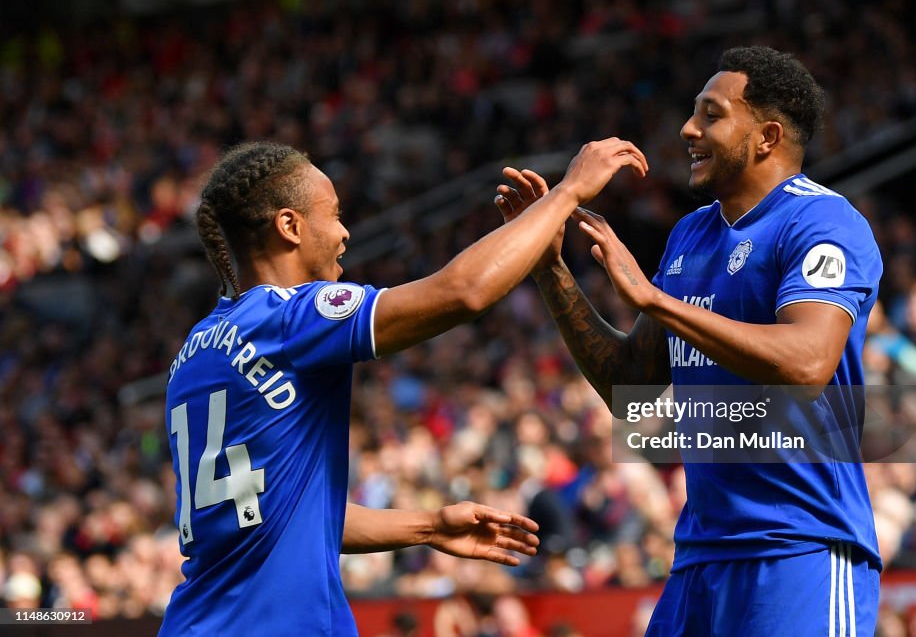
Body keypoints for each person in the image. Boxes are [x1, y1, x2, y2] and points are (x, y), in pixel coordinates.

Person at [160, 138, 648, 636]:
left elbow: (289, 515)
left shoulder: (195, 351)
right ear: (290, 226)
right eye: (333, 215)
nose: (345, 233)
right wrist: (567, 193)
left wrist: (430, 526)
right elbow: (462, 292)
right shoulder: (290, 316)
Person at [495, 46, 882, 635]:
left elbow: (808, 360)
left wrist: (653, 300)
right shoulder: (690, 234)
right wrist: (550, 271)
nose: (688, 128)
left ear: (767, 136)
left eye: (711, 113)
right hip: (700, 557)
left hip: (800, 550)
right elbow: (631, 386)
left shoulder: (824, 223)